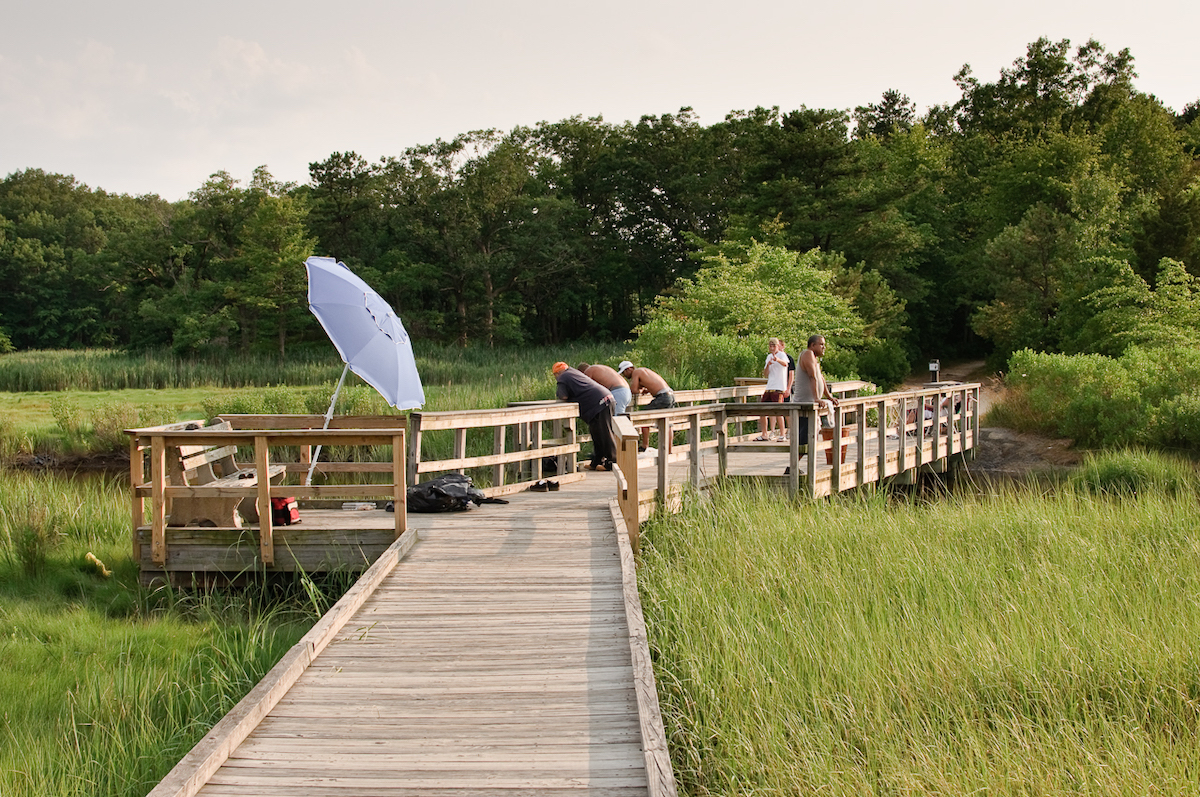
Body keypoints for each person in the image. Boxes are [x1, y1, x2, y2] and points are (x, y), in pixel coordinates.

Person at [553, 361, 617, 471]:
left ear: (556, 373)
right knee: (596, 432)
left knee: (605, 432)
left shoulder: (563, 377)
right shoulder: (573, 372)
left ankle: (612, 462)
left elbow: (562, 397)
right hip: (604, 399)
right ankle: (597, 461)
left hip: (600, 402)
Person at [618, 360, 675, 450]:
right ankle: (669, 450)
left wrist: (640, 390)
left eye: (624, 373)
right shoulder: (644, 371)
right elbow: (651, 384)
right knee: (668, 423)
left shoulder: (636, 372)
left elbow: (633, 390)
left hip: (662, 397)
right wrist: (645, 388)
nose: (625, 376)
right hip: (670, 395)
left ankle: (644, 445)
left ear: (629, 369)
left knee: (643, 416)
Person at [791, 334, 839, 442]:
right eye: (821, 344)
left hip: (811, 405)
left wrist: (830, 397)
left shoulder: (814, 358)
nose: (824, 347)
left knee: (812, 440)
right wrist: (817, 398)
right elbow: (812, 376)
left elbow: (821, 379)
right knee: (804, 442)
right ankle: (794, 460)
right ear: (812, 345)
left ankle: (806, 459)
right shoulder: (807, 354)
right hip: (805, 405)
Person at [758, 337, 789, 440]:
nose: (772, 348)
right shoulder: (768, 357)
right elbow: (766, 374)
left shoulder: (782, 355)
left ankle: (782, 434)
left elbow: (785, 364)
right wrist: (768, 365)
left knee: (778, 411)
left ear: (778, 346)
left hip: (779, 387)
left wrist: (777, 360)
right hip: (769, 386)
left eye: (774, 346)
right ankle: (764, 434)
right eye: (770, 346)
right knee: (762, 411)